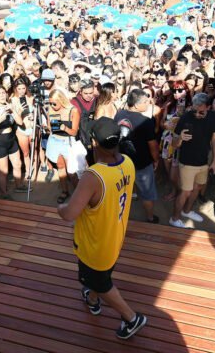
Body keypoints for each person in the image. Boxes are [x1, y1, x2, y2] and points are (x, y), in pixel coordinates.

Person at [57, 117, 147, 340]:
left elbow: (69, 214)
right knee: (99, 277)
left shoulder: (93, 176)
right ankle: (93, 299)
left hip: (95, 245)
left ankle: (131, 318)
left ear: (94, 143)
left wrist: (61, 207)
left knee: (100, 282)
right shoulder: (127, 162)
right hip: (115, 237)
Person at [170, 93, 215, 228]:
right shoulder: (186, 117)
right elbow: (174, 144)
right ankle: (174, 219)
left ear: (209, 107)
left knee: (197, 188)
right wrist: (180, 137)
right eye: (194, 109)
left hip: (204, 162)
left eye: (201, 110)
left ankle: (186, 211)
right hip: (187, 162)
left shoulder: (214, 117)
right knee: (185, 191)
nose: (197, 113)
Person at [114, 89, 160, 224]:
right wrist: (156, 160)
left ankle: (119, 215)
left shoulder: (119, 114)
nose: (148, 103)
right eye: (145, 102)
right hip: (142, 163)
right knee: (147, 192)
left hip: (122, 161)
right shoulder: (146, 121)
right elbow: (153, 145)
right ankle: (151, 217)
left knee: (122, 189)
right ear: (135, 105)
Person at [0, 85, 25, 198]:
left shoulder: (11, 106)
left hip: (11, 139)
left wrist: (12, 110)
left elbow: (20, 122)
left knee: (17, 165)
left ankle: (19, 186)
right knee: (4, 171)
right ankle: (4, 193)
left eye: (3, 93)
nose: (2, 95)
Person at [47, 88, 81, 204]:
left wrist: (64, 127)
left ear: (61, 100)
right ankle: (65, 191)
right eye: (50, 103)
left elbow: (74, 132)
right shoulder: (50, 109)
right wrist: (48, 127)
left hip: (68, 143)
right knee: (60, 167)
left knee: (72, 172)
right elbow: (50, 129)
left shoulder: (73, 111)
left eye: (54, 103)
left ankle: (79, 195)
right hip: (55, 141)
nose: (52, 105)